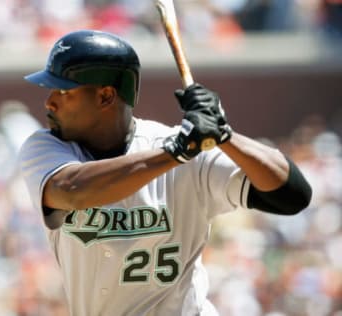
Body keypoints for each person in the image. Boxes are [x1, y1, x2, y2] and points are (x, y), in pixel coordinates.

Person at [18, 29, 312, 316]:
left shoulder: (181, 151)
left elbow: (291, 194)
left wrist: (225, 134)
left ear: (106, 96)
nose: (49, 102)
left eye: (63, 91)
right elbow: (71, 190)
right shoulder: (46, 147)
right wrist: (177, 153)